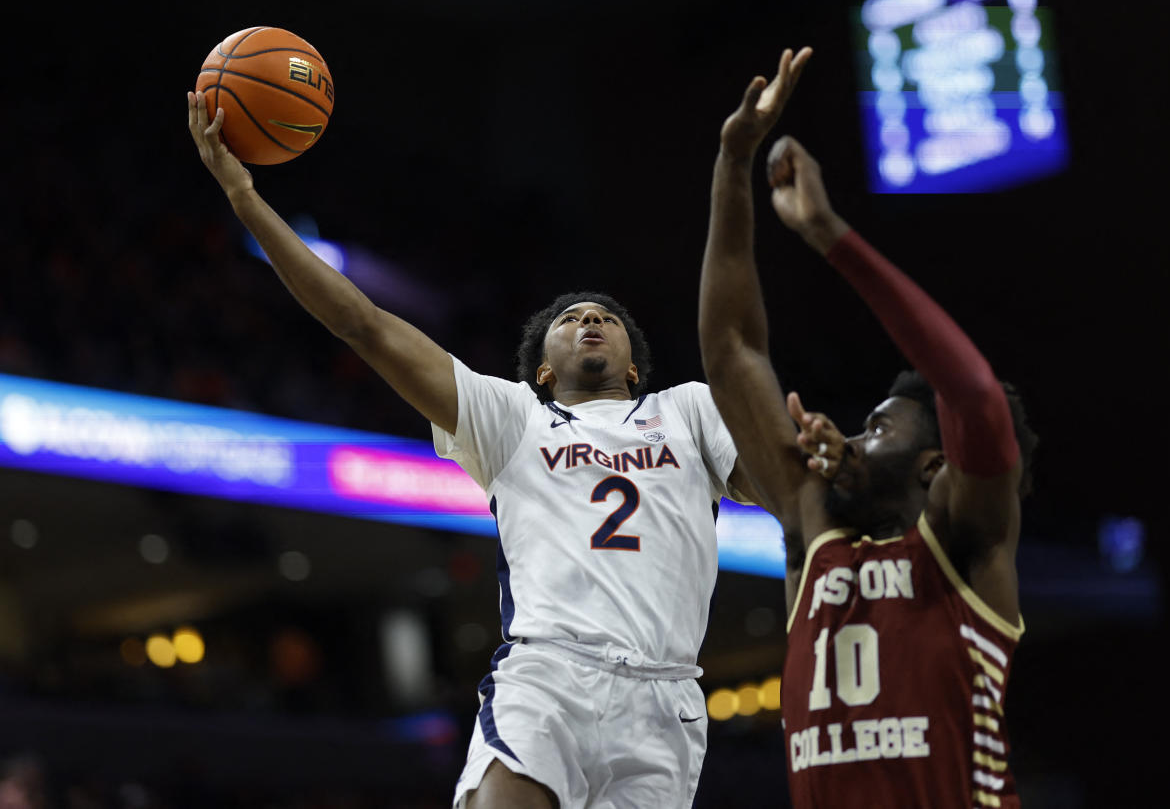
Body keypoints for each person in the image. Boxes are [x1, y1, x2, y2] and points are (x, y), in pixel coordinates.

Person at [186, 60, 777, 805]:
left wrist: (805, 467)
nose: (590, 319)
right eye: (570, 318)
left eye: (606, 318)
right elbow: (361, 324)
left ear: (634, 370)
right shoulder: (512, 417)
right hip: (550, 675)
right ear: (539, 371)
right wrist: (245, 200)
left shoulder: (687, 410)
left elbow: (776, 486)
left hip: (667, 700)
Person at [698, 49, 1037, 808]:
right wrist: (733, 160)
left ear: (932, 468)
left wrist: (829, 235)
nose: (851, 438)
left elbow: (974, 395)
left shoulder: (965, 545)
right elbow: (732, 351)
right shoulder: (813, 528)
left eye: (879, 429)